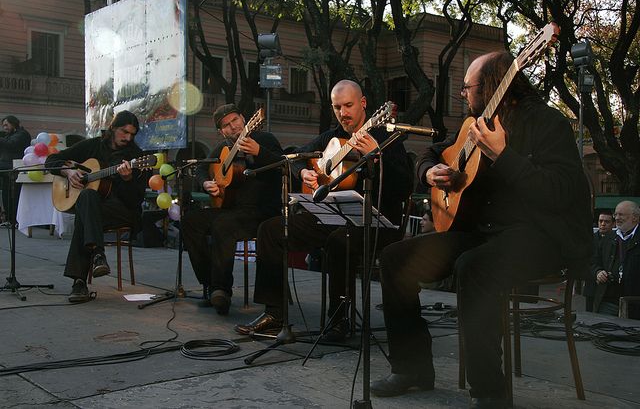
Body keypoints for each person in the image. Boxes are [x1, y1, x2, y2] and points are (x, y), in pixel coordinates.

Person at [370, 51, 592, 408]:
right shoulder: (473, 126)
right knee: (396, 258)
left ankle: (490, 394)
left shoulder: (547, 123)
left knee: (474, 266)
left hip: (540, 235)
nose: (462, 94)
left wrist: (505, 156)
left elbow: (561, 193)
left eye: (467, 87)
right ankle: (412, 369)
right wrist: (428, 171)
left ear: (490, 86)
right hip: (486, 232)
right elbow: (433, 151)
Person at [234, 79, 413, 341]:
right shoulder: (330, 137)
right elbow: (294, 157)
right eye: (337, 107)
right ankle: (274, 315)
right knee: (271, 230)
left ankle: (339, 321)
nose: (343, 113)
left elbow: (406, 184)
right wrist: (305, 170)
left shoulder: (385, 136)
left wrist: (378, 156)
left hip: (376, 221)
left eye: (349, 105)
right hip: (333, 215)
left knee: (340, 242)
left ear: (363, 104)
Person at [182, 103, 283, 315]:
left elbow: (282, 167)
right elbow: (202, 168)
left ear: (245, 119)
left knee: (223, 225)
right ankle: (210, 283)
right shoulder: (223, 148)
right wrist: (205, 183)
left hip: (261, 211)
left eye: (235, 120)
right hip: (232, 208)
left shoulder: (265, 139)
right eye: (226, 125)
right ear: (221, 132)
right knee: (190, 221)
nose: (233, 127)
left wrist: (259, 152)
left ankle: (222, 290)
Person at [45, 110, 147, 302]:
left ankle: (80, 282)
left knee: (85, 210)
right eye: (124, 132)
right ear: (112, 128)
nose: (128, 137)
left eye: (132, 134)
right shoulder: (93, 146)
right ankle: (97, 254)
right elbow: (50, 160)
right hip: (94, 209)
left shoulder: (137, 157)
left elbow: (135, 201)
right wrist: (67, 171)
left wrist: (127, 179)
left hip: (122, 211)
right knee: (88, 197)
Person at [592, 200, 640, 319]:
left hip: (635, 302)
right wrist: (598, 272)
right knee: (603, 334)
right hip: (608, 301)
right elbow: (593, 261)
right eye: (616, 214)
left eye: (621, 214)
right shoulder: (608, 238)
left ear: (635, 217)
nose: (617, 218)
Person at [0, 115, 31, 221]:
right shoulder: (9, 135)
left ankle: (14, 219)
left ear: (13, 123)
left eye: (6, 125)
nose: (5, 128)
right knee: (6, 194)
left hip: (14, 166)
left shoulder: (22, 134)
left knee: (13, 195)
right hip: (6, 168)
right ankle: (8, 219)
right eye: (3, 126)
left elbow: (12, 144)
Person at [584, 211, 614, 311]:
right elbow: (586, 261)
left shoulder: (616, 240)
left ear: (613, 224)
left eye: (607, 221)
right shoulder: (590, 239)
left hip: (608, 286)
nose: (603, 224)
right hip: (592, 284)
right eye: (600, 221)